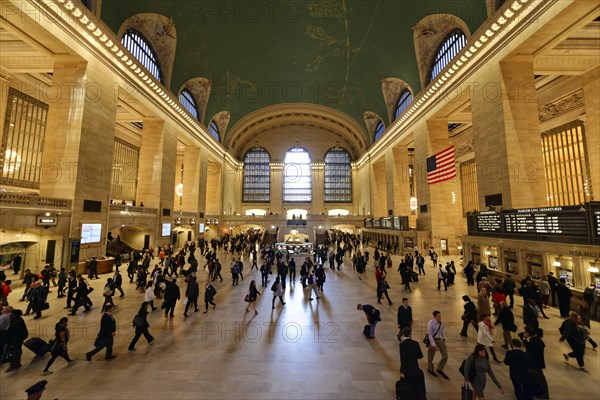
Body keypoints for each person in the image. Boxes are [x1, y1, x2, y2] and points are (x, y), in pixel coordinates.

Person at [520, 326, 549, 399]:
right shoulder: (535, 339)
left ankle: (544, 395)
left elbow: (529, 347)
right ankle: (536, 392)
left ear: (529, 333)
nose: (525, 333)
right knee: (534, 378)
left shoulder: (536, 341)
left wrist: (524, 339)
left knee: (540, 379)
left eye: (526, 332)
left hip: (535, 364)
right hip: (533, 363)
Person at [398, 327, 426, 400]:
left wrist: (402, 371)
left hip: (407, 369)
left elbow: (403, 360)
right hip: (415, 367)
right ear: (410, 334)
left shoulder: (402, 345)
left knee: (408, 387)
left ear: (403, 334)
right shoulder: (415, 343)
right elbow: (420, 355)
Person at [426, 310, 448, 379]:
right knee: (430, 356)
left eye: (440, 316)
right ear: (434, 317)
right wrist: (433, 345)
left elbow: (441, 332)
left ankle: (439, 368)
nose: (440, 318)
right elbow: (429, 334)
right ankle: (430, 369)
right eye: (438, 316)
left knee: (445, 356)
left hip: (439, 339)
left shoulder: (442, 322)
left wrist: (443, 338)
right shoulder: (431, 323)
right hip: (432, 339)